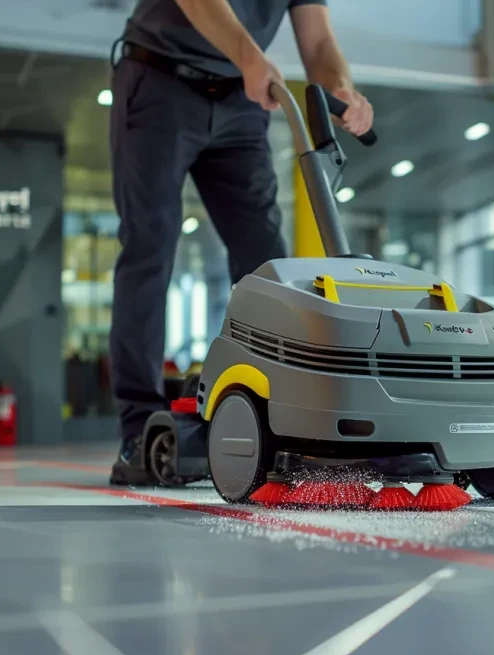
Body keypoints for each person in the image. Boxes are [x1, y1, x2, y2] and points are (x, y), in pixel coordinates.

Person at [107, 0, 373, 485]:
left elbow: (316, 41)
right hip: (158, 80)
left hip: (240, 99)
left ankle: (277, 417)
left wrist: (342, 87)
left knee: (267, 267)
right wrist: (252, 58)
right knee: (150, 249)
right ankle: (138, 428)